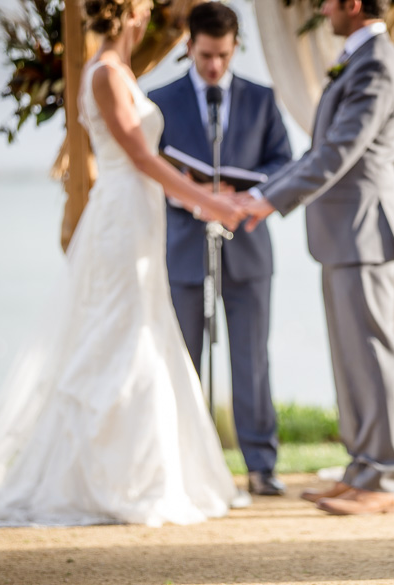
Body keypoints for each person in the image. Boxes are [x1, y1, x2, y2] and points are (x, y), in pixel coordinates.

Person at [0, 0, 250, 527]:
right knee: (118, 332)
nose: (150, 14)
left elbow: (150, 160)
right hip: (121, 216)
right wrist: (208, 202)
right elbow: (140, 156)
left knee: (144, 328)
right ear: (132, 15)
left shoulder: (119, 71)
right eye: (145, 7)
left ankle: (141, 470)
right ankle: (104, 479)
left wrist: (200, 197)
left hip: (139, 212)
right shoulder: (104, 74)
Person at [234, 0, 394, 516]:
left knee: (372, 355)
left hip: (365, 230)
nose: (324, 8)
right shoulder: (361, 58)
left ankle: (385, 480)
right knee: (352, 357)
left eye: (330, 1)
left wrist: (268, 200)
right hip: (344, 232)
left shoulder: (376, 62)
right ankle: (362, 469)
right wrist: (263, 192)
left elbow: (338, 151)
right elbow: (323, 151)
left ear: (352, 4)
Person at [148, 2, 292, 497]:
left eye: (223, 56)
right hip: (182, 246)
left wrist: (245, 192)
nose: (214, 65)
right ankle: (187, 465)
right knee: (183, 358)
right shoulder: (159, 100)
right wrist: (191, 196)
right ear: (189, 46)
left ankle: (261, 466)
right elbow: (149, 170)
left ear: (235, 48)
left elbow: (283, 163)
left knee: (252, 359)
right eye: (206, 55)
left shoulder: (262, 98)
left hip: (248, 246)